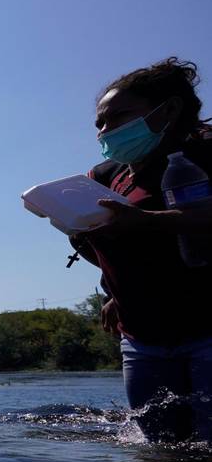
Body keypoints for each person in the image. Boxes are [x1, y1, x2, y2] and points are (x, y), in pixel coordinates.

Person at [69, 57, 212, 441]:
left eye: (117, 117)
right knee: (161, 454)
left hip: (205, 328)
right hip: (143, 337)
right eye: (99, 123)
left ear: (168, 110)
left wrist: (146, 220)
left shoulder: (204, 157)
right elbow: (108, 242)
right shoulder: (108, 176)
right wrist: (114, 292)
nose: (104, 130)